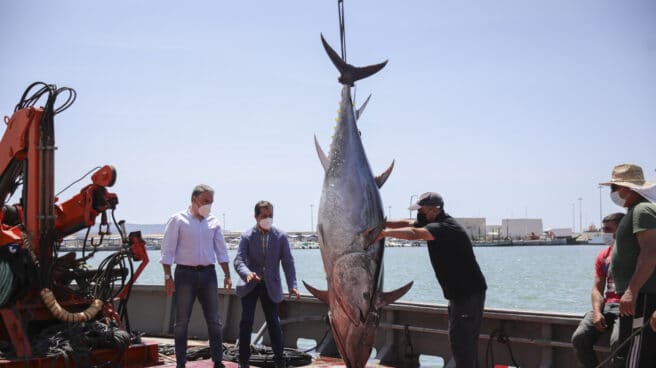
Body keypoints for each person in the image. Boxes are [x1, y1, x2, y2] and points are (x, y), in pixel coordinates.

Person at [378, 192, 487, 368]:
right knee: (459, 340)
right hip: (459, 294)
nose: (419, 213)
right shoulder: (432, 221)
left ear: (434, 210)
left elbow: (414, 233)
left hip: (468, 294)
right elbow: (407, 223)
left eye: (421, 209)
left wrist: (384, 233)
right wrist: (382, 223)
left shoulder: (445, 227)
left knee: (463, 343)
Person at [160, 184, 232, 368]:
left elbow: (221, 251)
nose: (208, 205)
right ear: (194, 199)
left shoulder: (214, 222)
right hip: (185, 275)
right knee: (182, 322)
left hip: (208, 274)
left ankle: (218, 360)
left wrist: (227, 274)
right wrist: (168, 277)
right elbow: (167, 250)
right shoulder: (178, 220)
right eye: (205, 201)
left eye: (211, 202)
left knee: (214, 320)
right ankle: (181, 363)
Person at [599, 163, 656, 367]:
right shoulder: (635, 211)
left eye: (613, 188)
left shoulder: (642, 210)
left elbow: (650, 252)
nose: (612, 193)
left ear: (625, 188)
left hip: (643, 298)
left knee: (637, 355)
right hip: (636, 298)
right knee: (631, 352)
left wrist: (631, 290)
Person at [234, 201, 300, 368]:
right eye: (263, 216)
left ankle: (279, 361)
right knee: (246, 322)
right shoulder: (247, 236)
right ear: (256, 217)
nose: (267, 219)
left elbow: (288, 263)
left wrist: (293, 285)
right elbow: (238, 260)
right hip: (250, 283)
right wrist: (247, 273)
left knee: (274, 323)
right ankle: (243, 361)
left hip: (270, 285)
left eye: (270, 216)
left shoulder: (281, 236)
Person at [571, 212, 625, 368]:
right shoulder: (603, 255)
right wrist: (597, 312)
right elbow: (597, 288)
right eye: (603, 229)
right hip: (608, 305)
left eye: (608, 229)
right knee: (579, 338)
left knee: (618, 342)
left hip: (626, 308)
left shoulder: (635, 253)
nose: (604, 233)